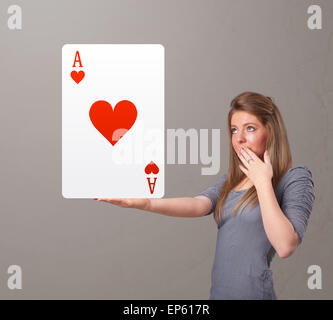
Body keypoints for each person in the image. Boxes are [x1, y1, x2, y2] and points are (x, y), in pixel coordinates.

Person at [94, 91, 315, 300]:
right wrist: (143, 202)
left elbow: (286, 245)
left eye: (250, 128)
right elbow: (198, 204)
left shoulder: (294, 177)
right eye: (234, 130)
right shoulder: (231, 179)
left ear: (271, 131)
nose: (239, 139)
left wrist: (263, 182)